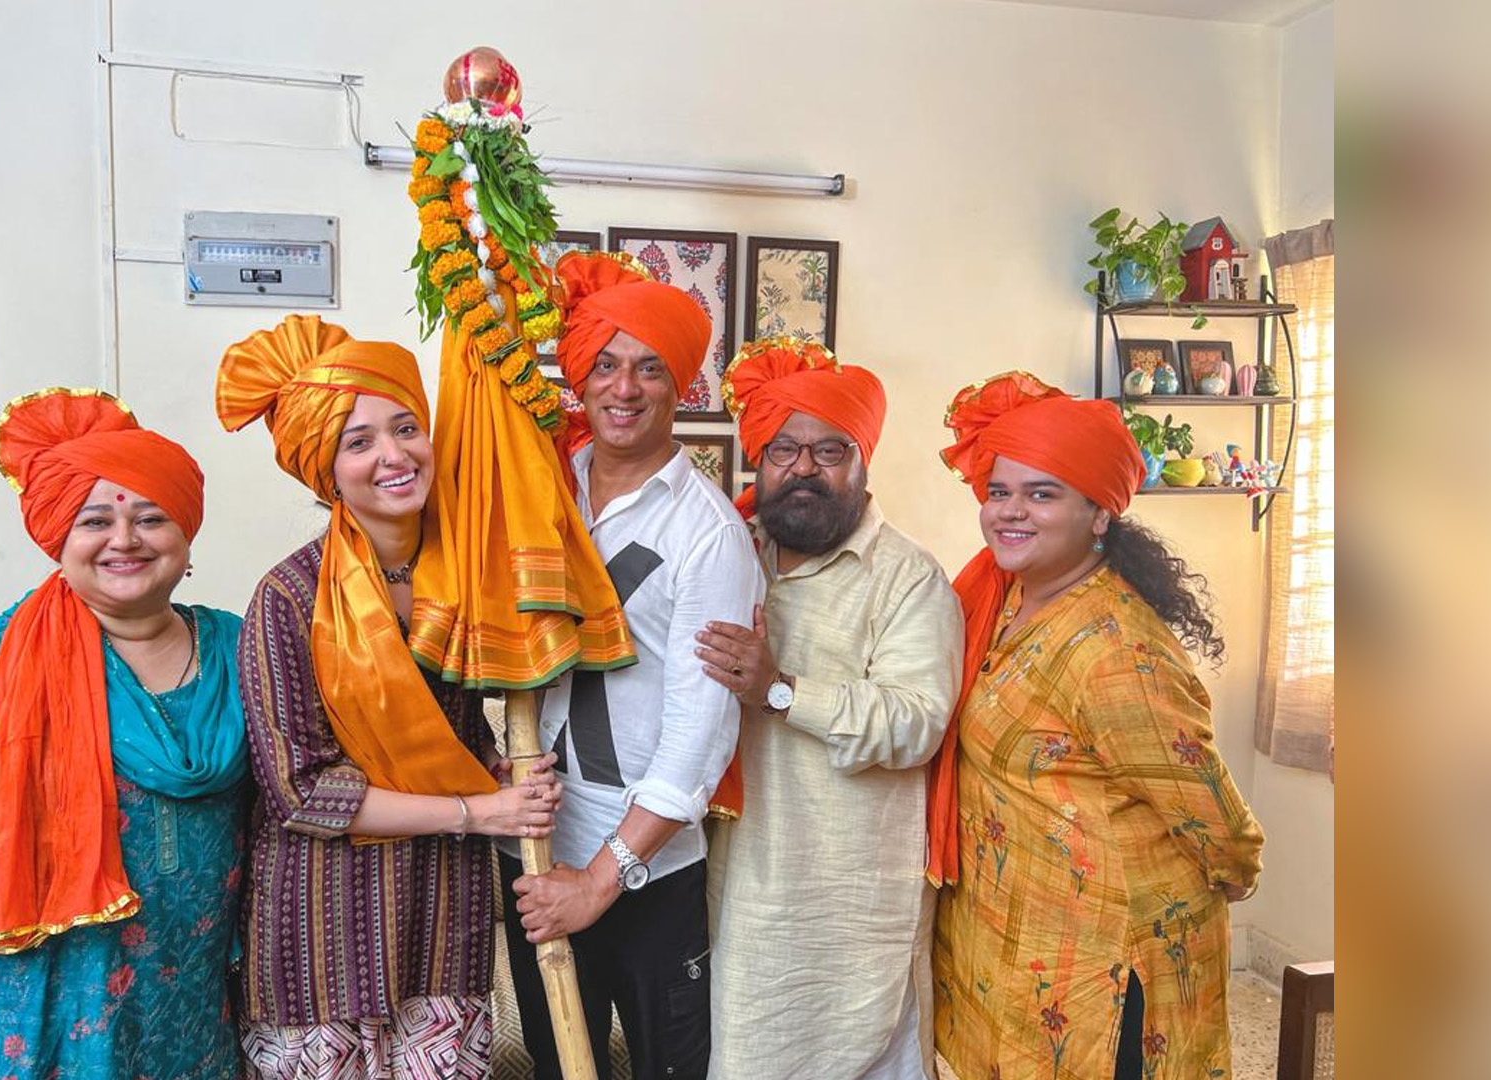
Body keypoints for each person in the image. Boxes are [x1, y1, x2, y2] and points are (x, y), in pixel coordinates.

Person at [0, 388, 250, 1080]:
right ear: (57, 536)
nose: (124, 540)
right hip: (16, 1028)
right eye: (94, 520)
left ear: (186, 536)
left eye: (152, 517)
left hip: (191, 1020)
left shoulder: (241, 652)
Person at [216, 314, 563, 1080]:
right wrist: (479, 811)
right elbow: (300, 793)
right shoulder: (288, 597)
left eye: (406, 428)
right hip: (319, 929)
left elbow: (465, 736)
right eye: (359, 440)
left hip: (441, 914)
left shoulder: (469, 579)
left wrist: (504, 773)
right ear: (324, 469)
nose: (393, 455)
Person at [927, 372, 1265, 1080]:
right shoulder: (1003, 596)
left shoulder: (1115, 646)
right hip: (1021, 929)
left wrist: (1234, 873)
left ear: (1100, 513)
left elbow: (1205, 806)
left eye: (1041, 493)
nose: (1009, 512)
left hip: (1108, 952)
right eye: (999, 491)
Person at [503, 251, 765, 1080]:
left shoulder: (710, 534)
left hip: (647, 869)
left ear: (682, 386)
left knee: (666, 1069)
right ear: (579, 374)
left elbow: (700, 734)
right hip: (535, 849)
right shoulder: (543, 485)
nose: (624, 388)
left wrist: (602, 880)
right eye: (606, 364)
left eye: (650, 368)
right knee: (555, 1063)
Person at [692, 339, 963, 1080]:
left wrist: (781, 691)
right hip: (740, 884)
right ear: (760, 459)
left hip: (848, 894)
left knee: (859, 1050)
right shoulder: (729, 552)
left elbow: (916, 723)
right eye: (784, 450)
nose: (803, 469)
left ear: (863, 462)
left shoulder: (908, 578)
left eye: (829, 451)